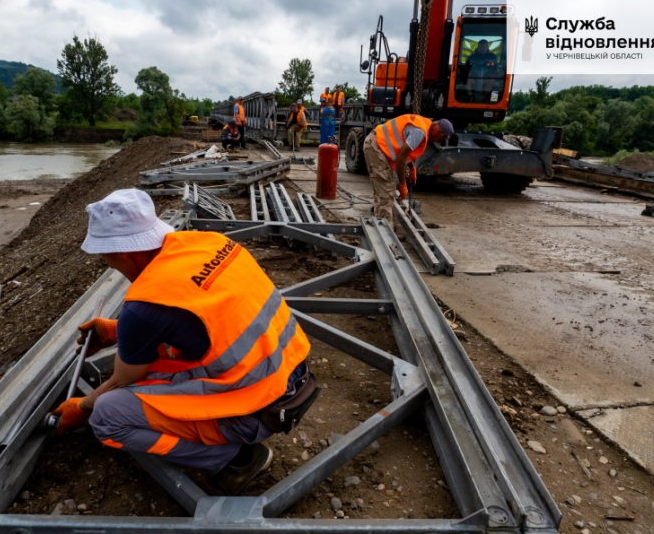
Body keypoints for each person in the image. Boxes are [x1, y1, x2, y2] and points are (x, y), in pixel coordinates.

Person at [52, 189, 312, 495]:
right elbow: (202, 317)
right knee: (153, 363)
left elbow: (121, 381)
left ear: (123, 252)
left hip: (257, 410)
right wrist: (117, 331)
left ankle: (236, 459)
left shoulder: (143, 304)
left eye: (105, 256)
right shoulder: (210, 243)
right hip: (295, 375)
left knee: (107, 415)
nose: (108, 265)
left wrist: (80, 407)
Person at [363, 115, 453, 226]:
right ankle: (386, 233)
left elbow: (403, 149)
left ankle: (380, 224)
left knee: (382, 190)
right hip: (376, 146)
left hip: (376, 143)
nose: (438, 141)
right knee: (387, 190)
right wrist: (402, 184)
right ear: (439, 131)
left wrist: (412, 167)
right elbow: (400, 159)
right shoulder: (420, 132)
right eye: (441, 138)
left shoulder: (423, 124)